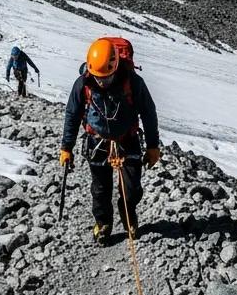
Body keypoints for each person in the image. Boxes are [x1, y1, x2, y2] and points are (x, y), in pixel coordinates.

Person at [59, 37, 161, 246]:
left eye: (106, 77)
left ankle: (127, 211)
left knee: (131, 187)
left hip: (128, 139)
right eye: (98, 77)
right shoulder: (83, 84)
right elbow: (72, 114)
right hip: (97, 142)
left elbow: (148, 113)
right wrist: (66, 148)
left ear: (115, 67)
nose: (101, 81)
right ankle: (103, 224)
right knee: (100, 188)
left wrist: (153, 146)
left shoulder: (132, 81)